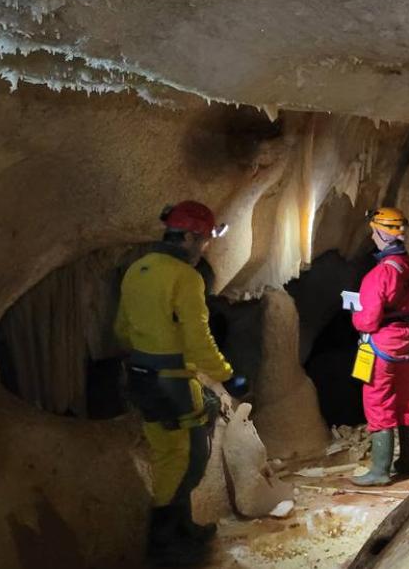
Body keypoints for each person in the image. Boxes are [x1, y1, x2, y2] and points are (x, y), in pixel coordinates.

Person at [114, 201, 250, 566]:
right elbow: (198, 338)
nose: (204, 247)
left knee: (166, 453)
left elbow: (121, 329)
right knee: (190, 457)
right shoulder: (185, 277)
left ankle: (181, 526)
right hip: (171, 380)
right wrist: (226, 376)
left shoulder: (136, 269)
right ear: (187, 236)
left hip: (140, 377)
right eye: (203, 240)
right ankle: (163, 540)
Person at [351, 206, 409, 486]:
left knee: (379, 403)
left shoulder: (378, 275)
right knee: (407, 402)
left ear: (379, 232)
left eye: (374, 231)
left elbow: (369, 320)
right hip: (407, 346)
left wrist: (355, 314)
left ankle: (379, 471)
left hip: (382, 346)